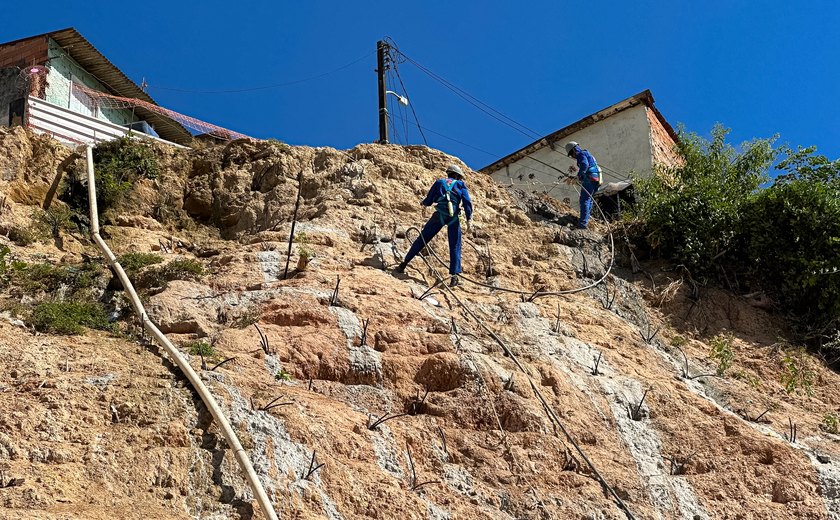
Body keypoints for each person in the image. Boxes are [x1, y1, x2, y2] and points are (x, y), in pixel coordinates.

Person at [395, 164, 473, 286]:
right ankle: (454, 276)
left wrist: (424, 203)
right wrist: (469, 219)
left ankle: (403, 264)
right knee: (455, 245)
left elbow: (430, 198)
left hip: (439, 215)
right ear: (457, 176)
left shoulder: (439, 182)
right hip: (453, 217)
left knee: (422, 239)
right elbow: (467, 202)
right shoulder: (460, 184)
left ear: (448, 173)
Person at [565, 141, 602, 229]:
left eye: (571, 154)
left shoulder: (581, 154)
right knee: (589, 199)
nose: (572, 156)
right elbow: (586, 168)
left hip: (590, 178)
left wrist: (579, 176)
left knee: (584, 200)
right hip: (597, 178)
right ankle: (585, 220)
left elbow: (585, 165)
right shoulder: (587, 154)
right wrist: (575, 178)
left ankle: (582, 224)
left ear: (574, 150)